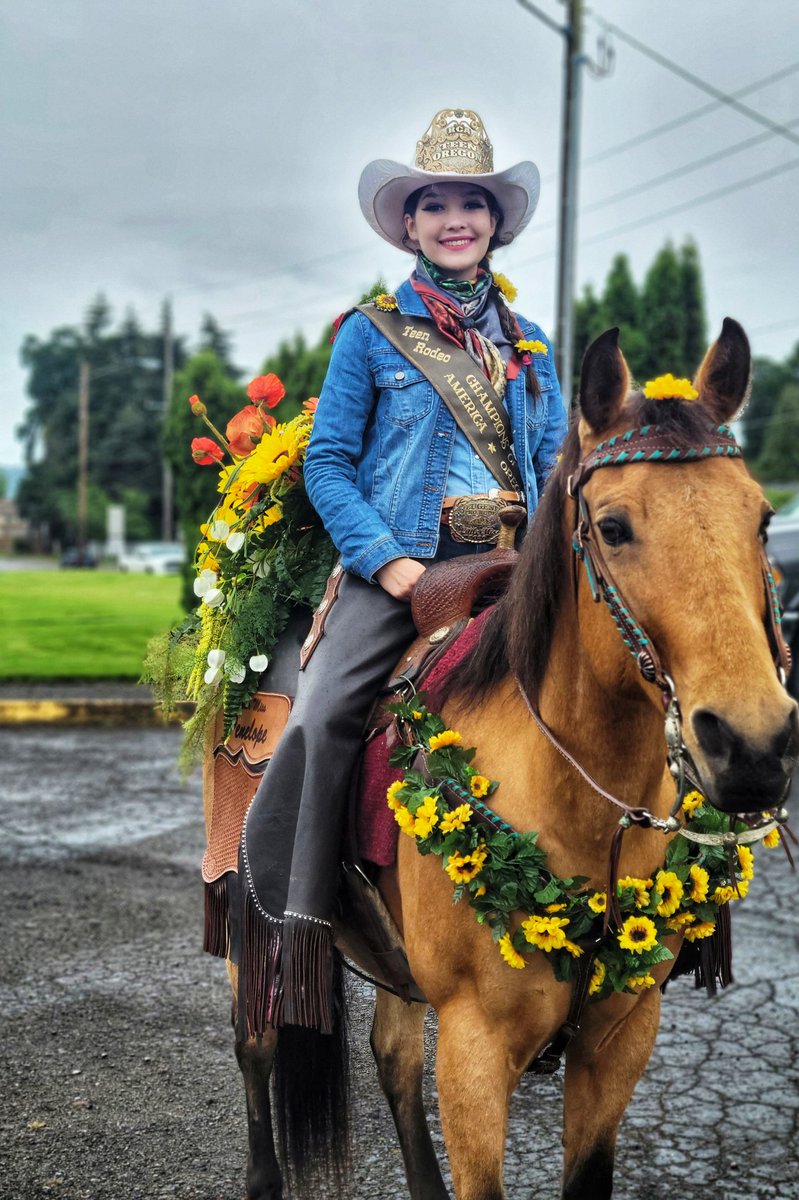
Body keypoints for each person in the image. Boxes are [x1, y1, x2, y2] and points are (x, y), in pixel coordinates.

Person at [239, 108, 568, 1035]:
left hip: (513, 564)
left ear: (494, 222)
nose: (455, 219)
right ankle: (299, 929)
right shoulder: (370, 335)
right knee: (324, 712)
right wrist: (386, 564)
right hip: (404, 570)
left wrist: (550, 565)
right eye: (435, 204)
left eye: (472, 203)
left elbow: (543, 473)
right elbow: (328, 464)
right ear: (410, 224)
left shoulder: (530, 344)